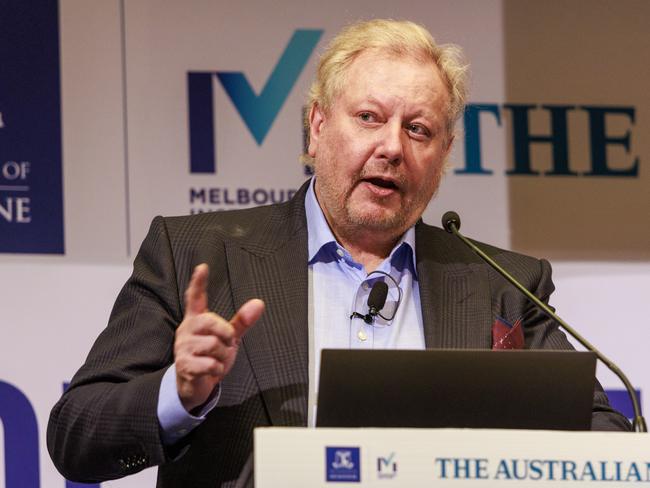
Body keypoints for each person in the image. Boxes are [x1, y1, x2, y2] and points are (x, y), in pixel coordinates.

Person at [47, 19, 630, 488]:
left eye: (419, 130)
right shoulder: (196, 253)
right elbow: (76, 436)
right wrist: (177, 392)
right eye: (369, 118)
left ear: (445, 152)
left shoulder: (506, 284)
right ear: (317, 127)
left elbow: (604, 438)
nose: (392, 147)